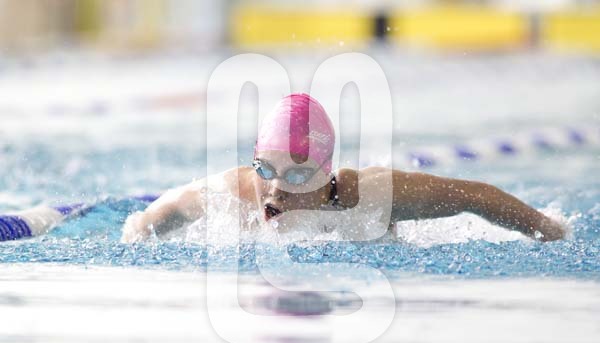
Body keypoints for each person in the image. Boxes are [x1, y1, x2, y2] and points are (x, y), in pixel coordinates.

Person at [121, 93, 566, 243]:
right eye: (266, 170)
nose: (275, 191)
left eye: (297, 176)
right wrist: (135, 232)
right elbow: (144, 224)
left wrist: (547, 228)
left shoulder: (372, 195)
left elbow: (476, 196)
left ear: (326, 175)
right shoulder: (224, 198)